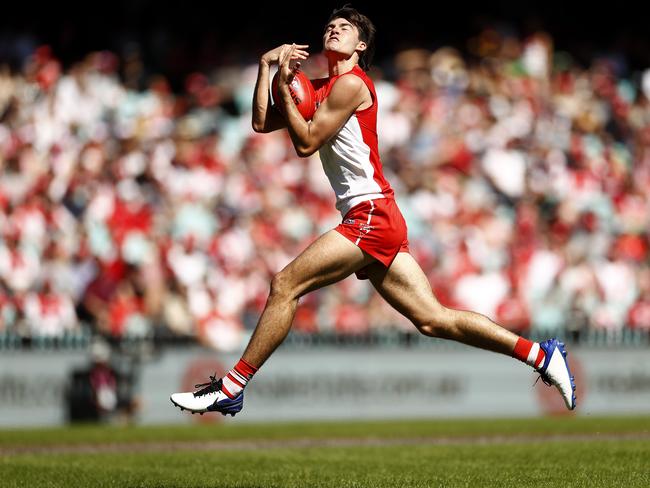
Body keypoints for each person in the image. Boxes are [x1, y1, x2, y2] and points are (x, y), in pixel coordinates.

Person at [170, 6, 576, 416]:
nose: (333, 29)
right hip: (377, 214)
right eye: (329, 25)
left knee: (285, 285)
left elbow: (306, 143)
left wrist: (284, 83)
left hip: (370, 214)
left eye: (344, 28)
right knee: (434, 320)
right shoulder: (321, 88)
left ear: (360, 45)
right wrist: (265, 67)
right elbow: (260, 123)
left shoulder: (351, 85)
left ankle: (232, 386)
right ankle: (542, 356)